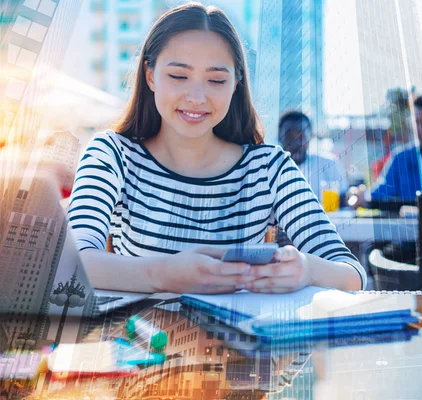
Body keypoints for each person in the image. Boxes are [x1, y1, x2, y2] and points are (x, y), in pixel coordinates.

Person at [67, 3, 365, 294]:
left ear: (236, 83)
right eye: (179, 76)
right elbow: (69, 262)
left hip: (238, 342)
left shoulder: (268, 167)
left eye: (216, 80)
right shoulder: (113, 155)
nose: (197, 97)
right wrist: (165, 275)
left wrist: (307, 269)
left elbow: (352, 274)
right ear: (150, 76)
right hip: (135, 339)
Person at [278, 110, 347, 200]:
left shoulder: (328, 163)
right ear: (279, 137)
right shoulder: (270, 169)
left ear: (310, 137)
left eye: (301, 136)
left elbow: (343, 199)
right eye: (289, 136)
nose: (295, 143)